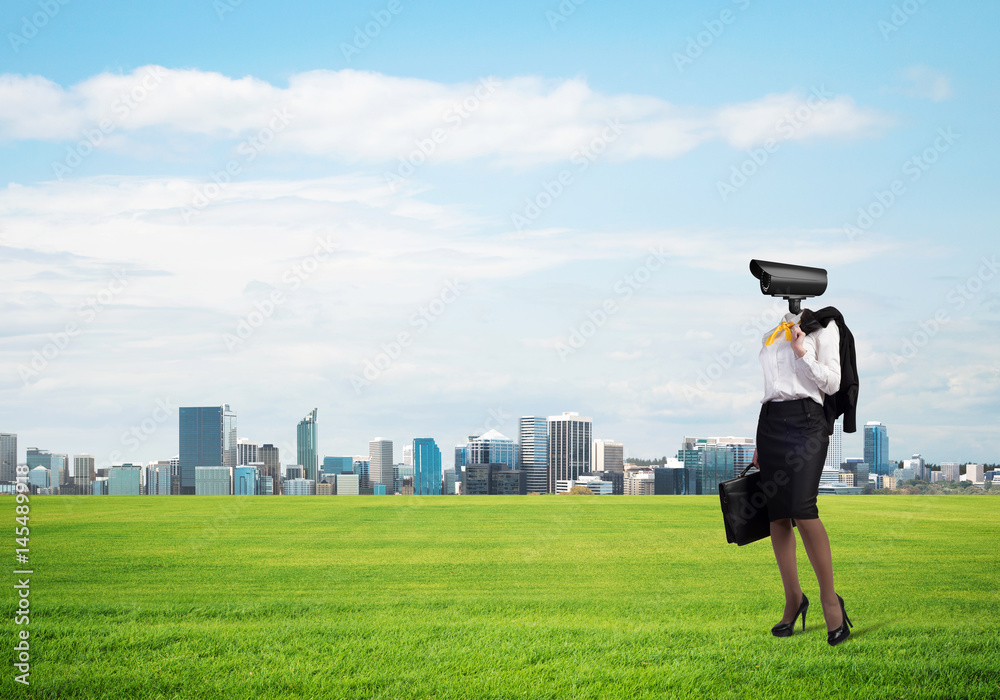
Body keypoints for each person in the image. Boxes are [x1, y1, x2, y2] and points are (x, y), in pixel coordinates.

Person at [750, 308, 853, 646]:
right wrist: (758, 442)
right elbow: (771, 388)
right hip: (770, 422)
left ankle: (830, 602)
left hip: (807, 423)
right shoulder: (773, 332)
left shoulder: (823, 328)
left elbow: (833, 382)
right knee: (777, 516)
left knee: (803, 510)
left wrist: (802, 351)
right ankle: (794, 599)